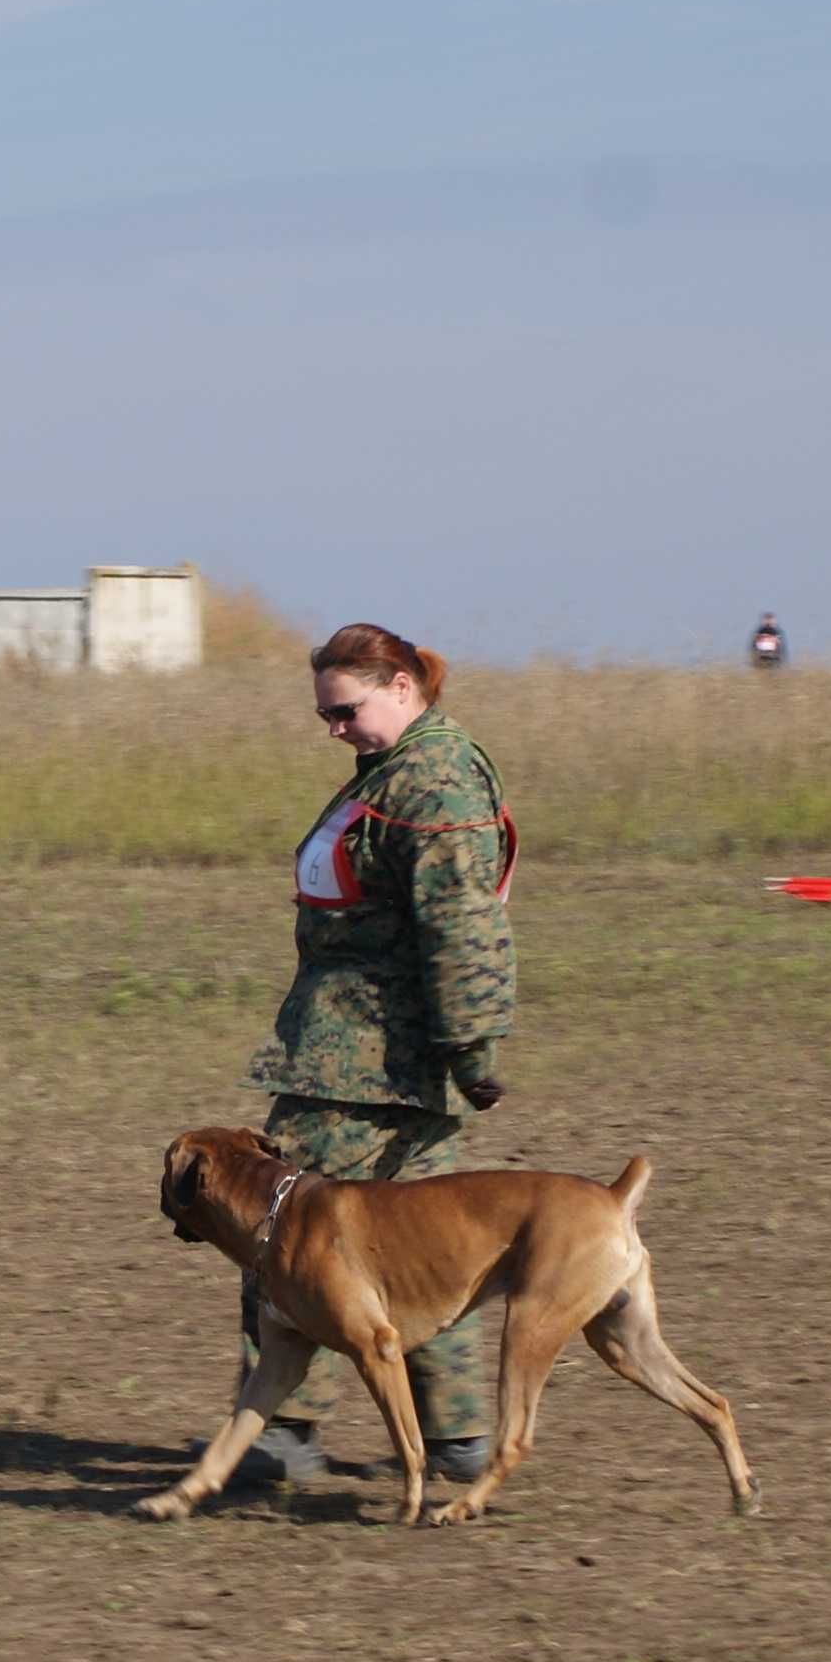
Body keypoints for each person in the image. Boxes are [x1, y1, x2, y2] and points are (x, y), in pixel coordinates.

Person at [219, 621, 517, 1492]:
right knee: (422, 1250)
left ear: (399, 686)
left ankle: (276, 1431)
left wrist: (471, 1044)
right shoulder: (401, 769)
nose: (334, 729)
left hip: (363, 1066)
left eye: (344, 711)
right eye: (325, 717)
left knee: (280, 1236)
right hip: (372, 1057)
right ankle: (456, 1435)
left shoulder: (432, 780)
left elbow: (462, 925)